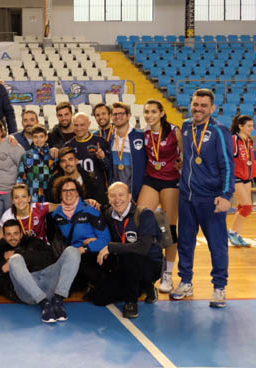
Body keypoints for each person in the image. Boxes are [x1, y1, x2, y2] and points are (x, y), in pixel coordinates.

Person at [171, 89, 234, 308]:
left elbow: (227, 165)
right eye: (195, 104)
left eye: (203, 106)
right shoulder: (186, 126)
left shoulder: (219, 131)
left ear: (212, 108)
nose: (198, 109)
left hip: (211, 199)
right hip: (187, 196)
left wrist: (226, 195)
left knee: (217, 245)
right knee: (185, 243)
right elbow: (187, 155)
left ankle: (219, 287)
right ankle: (186, 281)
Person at [94, 182, 163, 318]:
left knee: (131, 253)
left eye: (121, 195)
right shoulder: (109, 214)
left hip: (150, 264)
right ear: (108, 198)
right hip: (125, 265)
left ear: (129, 196)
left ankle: (132, 302)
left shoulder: (144, 214)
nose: (117, 199)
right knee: (99, 299)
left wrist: (111, 247)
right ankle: (142, 288)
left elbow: (142, 248)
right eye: (112, 196)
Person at [0, 219, 80, 323]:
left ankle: (58, 299)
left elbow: (49, 258)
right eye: (8, 234)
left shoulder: (34, 242)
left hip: (48, 281)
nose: (12, 238)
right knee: (15, 260)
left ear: (21, 234)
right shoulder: (0, 250)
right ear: (4, 236)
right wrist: (2, 269)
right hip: (27, 292)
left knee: (72, 251)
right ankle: (44, 303)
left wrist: (20, 253)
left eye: (15, 233)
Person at [137, 99, 182, 293]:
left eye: (153, 112)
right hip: (151, 179)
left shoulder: (174, 130)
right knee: (139, 218)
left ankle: (168, 274)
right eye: (147, 112)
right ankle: (146, 265)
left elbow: (185, 154)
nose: (149, 115)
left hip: (170, 181)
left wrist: (181, 164)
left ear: (162, 113)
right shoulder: (144, 133)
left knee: (169, 229)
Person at [48, 176, 109, 293]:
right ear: (60, 194)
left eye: (72, 190)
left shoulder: (91, 210)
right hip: (72, 255)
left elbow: (105, 240)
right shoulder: (56, 215)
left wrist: (84, 248)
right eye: (65, 190)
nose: (68, 193)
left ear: (78, 193)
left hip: (91, 253)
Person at [109, 102, 147, 202]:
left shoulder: (140, 136)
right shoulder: (109, 139)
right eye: (114, 114)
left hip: (136, 191)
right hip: (115, 194)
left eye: (121, 113)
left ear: (129, 116)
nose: (118, 116)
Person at [228, 115, 256, 247]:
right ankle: (232, 232)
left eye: (252, 125)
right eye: (249, 126)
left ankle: (237, 234)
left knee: (242, 207)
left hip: (247, 177)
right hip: (236, 177)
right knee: (247, 207)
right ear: (240, 126)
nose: (252, 128)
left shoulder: (249, 141)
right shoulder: (233, 140)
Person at [65, 112, 110, 189]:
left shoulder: (100, 141)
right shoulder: (68, 146)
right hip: (77, 190)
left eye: (82, 125)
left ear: (89, 124)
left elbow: (109, 169)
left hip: (98, 190)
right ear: (72, 125)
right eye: (76, 125)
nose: (79, 128)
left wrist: (102, 159)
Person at [17, 125, 55, 203]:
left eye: (41, 136)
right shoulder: (26, 156)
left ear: (46, 137)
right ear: (32, 138)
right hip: (33, 195)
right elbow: (21, 177)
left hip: (50, 195)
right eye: (35, 137)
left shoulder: (52, 155)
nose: (38, 140)